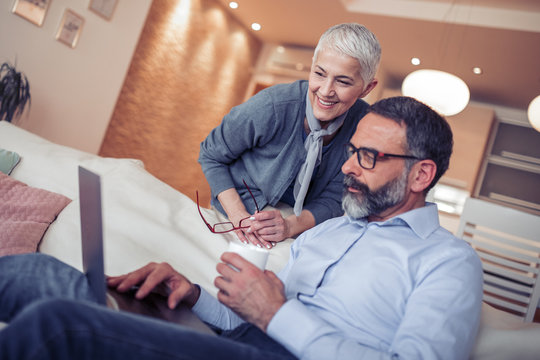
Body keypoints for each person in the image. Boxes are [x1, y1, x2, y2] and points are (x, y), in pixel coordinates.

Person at [0, 96, 483, 360]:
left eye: (369, 157)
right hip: (238, 343)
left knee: (56, 326)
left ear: (422, 174)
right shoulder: (327, 233)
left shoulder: (446, 261)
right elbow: (246, 320)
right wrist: (190, 293)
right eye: (352, 151)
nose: (348, 168)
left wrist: (277, 316)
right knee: (37, 274)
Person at [198, 23, 380, 248]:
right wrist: (238, 215)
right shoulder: (271, 106)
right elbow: (211, 154)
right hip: (234, 212)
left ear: (367, 88)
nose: (325, 90)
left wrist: (289, 226)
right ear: (312, 67)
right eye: (319, 74)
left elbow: (336, 197)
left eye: (343, 81)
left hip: (300, 227)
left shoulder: (364, 126)